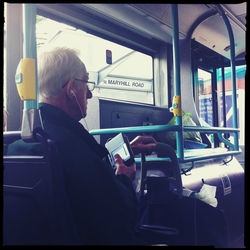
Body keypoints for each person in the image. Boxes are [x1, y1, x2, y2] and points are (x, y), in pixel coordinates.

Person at [8, 47, 157, 245]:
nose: (89, 95)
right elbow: (118, 221)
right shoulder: (74, 149)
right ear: (71, 88)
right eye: (86, 84)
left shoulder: (22, 144)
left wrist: (128, 148)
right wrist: (124, 179)